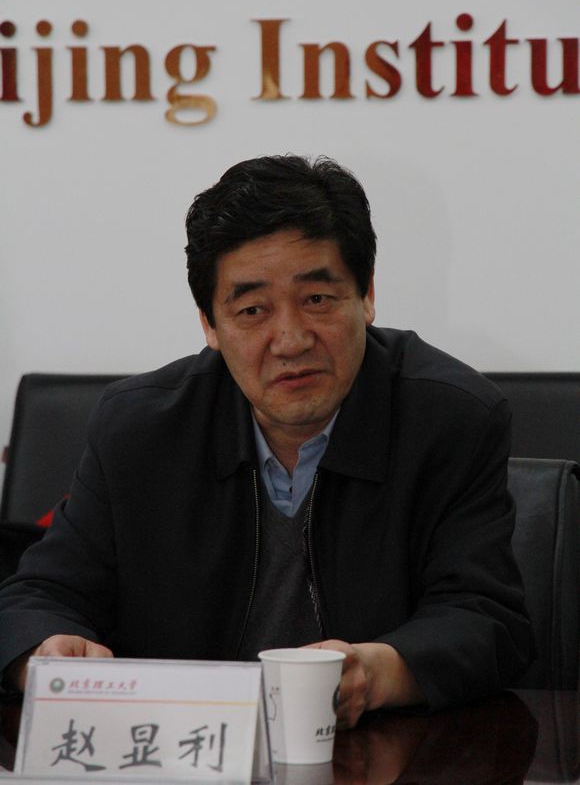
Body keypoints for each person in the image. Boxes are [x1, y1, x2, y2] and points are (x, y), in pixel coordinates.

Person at [0, 155, 533, 727]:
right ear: (210, 325)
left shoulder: (451, 418)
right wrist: (46, 653)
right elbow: (38, 596)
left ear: (366, 296)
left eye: (317, 299)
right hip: (183, 749)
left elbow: (484, 618)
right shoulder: (138, 431)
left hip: (377, 751)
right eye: (253, 310)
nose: (291, 339)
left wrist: (375, 672)